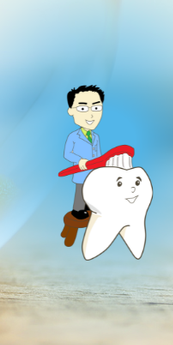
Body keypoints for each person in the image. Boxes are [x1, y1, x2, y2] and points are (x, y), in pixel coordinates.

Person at [60, 85, 106, 245]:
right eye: (82, 108)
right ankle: (73, 224)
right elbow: (67, 154)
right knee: (79, 202)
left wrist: (101, 166)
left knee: (92, 200)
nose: (91, 114)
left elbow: (98, 154)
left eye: (96, 107)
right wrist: (80, 161)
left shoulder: (96, 137)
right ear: (71, 111)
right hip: (81, 174)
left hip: (94, 174)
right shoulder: (74, 136)